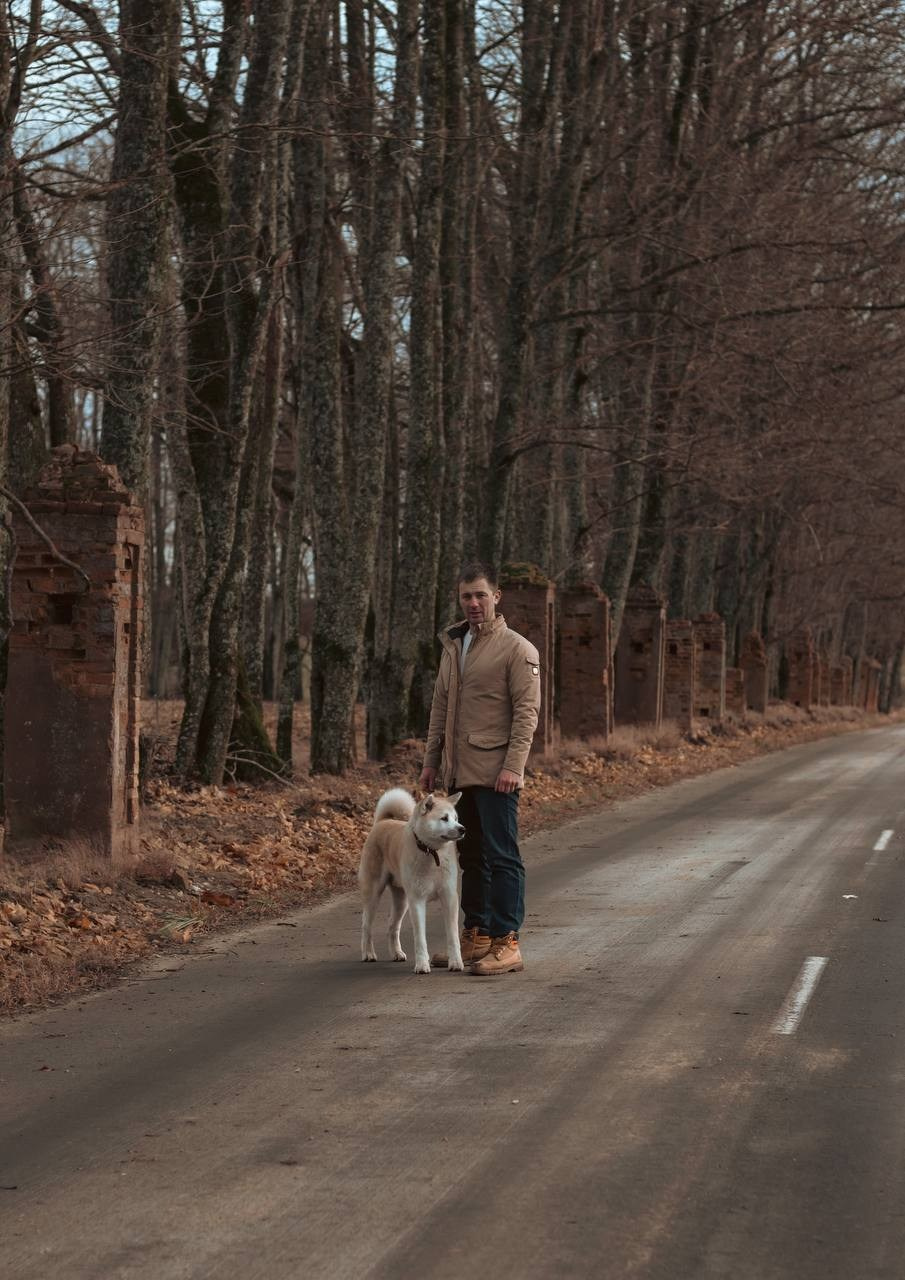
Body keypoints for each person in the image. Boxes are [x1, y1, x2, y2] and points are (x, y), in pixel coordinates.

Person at [419, 561, 540, 975]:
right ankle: (478, 935)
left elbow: (527, 714)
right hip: (457, 774)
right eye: (466, 596)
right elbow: (440, 708)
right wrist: (431, 763)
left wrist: (513, 767)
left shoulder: (517, 649)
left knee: (503, 856)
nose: (473, 603)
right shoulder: (454, 646)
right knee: (471, 857)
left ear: (496, 597)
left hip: (497, 774)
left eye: (480, 595)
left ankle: (508, 942)